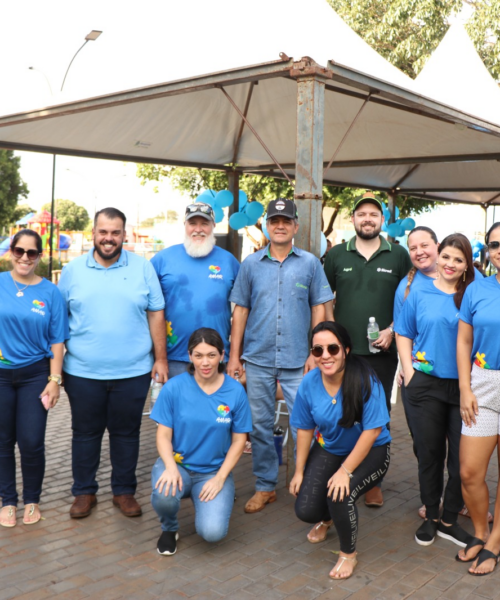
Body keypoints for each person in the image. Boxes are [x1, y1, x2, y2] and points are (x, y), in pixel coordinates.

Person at [58, 207, 167, 519]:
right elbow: (59, 319)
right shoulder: (73, 270)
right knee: (84, 433)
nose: (109, 238)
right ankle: (83, 492)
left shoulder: (143, 268)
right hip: (82, 372)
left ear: (124, 235)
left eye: (115, 232)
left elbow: (156, 312)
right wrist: (57, 367)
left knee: (126, 432)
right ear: (94, 233)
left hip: (133, 372)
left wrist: (160, 358)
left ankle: (123, 491)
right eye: (103, 232)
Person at [228, 199, 333, 514]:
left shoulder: (310, 263)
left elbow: (319, 308)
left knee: (310, 424)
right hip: (257, 358)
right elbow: (241, 310)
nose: (280, 225)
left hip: (299, 360)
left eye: (286, 220)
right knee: (259, 425)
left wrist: (316, 353)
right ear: (266, 225)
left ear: (295, 227)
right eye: (274, 220)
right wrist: (235, 357)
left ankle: (311, 485)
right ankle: (265, 487)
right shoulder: (250, 265)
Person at [323, 191, 411, 513]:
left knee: (379, 419)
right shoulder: (337, 256)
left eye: (374, 214)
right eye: (362, 214)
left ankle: (374, 480)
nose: (368, 219)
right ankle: (342, 470)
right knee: (344, 414)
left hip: (383, 354)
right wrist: (331, 338)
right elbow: (324, 298)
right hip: (343, 353)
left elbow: (409, 299)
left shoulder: (398, 255)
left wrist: (392, 330)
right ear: (353, 219)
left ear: (382, 220)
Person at [290, 321, 390, 580]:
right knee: (305, 510)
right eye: (317, 350)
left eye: (332, 349)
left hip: (371, 451)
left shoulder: (365, 378)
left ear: (345, 349)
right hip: (330, 448)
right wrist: (299, 471)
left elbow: (373, 431)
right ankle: (328, 519)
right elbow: (303, 428)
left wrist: (345, 471)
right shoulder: (309, 383)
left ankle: (348, 554)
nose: (325, 356)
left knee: (339, 495)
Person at [395, 233, 475, 548]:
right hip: (425, 386)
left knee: (460, 458)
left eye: (459, 259)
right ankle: (430, 515)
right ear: (438, 256)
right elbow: (403, 332)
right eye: (446, 257)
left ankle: (449, 519)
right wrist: (410, 372)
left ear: (467, 264)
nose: (450, 264)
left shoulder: (473, 294)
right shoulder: (419, 292)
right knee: (429, 454)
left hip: (464, 388)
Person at [150, 328, 252, 555]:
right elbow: (163, 435)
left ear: (222, 355)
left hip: (213, 471)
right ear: (190, 356)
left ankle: (211, 496)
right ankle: (169, 529)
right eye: (198, 355)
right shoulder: (174, 388)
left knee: (212, 532)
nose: (205, 362)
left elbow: (239, 441)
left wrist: (220, 479)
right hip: (178, 465)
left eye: (211, 355)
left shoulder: (235, 391)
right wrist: (169, 467)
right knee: (165, 495)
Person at [0, 229, 68, 527]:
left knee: (31, 441)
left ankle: (31, 500)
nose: (24, 257)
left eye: (31, 253)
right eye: (19, 251)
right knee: (2, 441)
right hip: (1, 375)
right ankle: (7, 500)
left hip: (35, 375)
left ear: (40, 256)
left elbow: (57, 339)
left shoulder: (51, 292)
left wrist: (55, 380)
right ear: (10, 252)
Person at [150, 202, 240, 378]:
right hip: (172, 360)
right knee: (176, 406)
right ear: (185, 225)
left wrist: (236, 356)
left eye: (204, 223)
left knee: (216, 406)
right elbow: (148, 310)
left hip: (217, 359)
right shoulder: (162, 260)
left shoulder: (229, 261)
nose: (198, 229)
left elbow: (243, 311)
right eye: (192, 223)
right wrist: (158, 358)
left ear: (213, 226)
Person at [457, 222, 500, 574]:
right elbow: (463, 342)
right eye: (495, 244)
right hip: (482, 384)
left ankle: (496, 540)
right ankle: (480, 531)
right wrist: (465, 388)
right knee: (470, 471)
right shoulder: (477, 289)